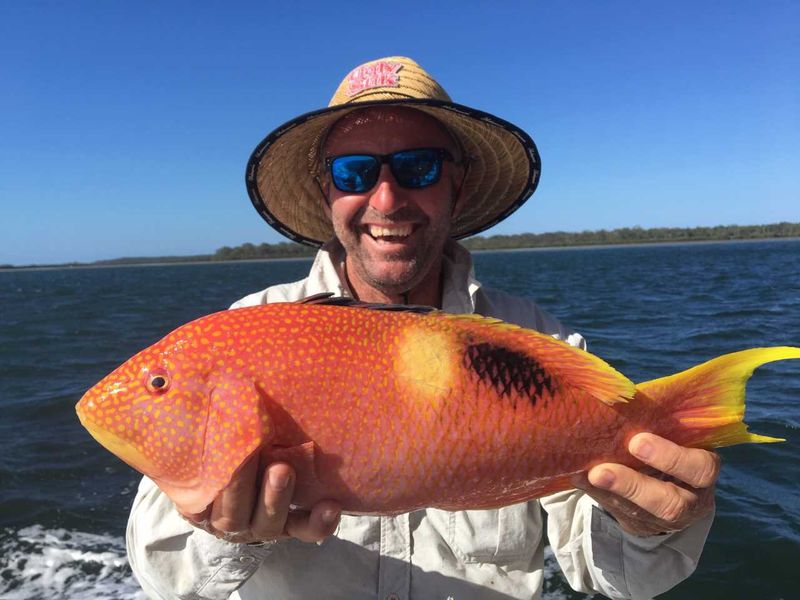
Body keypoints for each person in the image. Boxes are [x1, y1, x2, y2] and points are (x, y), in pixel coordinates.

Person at [127, 56, 719, 600]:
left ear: (455, 185)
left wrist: (648, 523)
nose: (386, 197)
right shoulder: (243, 333)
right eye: (354, 171)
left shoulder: (541, 345)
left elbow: (615, 576)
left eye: (418, 167)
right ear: (327, 192)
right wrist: (229, 534)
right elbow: (161, 575)